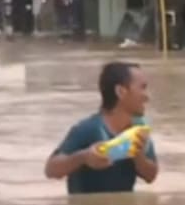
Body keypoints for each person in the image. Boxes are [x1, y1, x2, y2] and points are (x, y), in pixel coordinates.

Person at [44, 61, 158, 194]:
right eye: (142, 88)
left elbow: (151, 176)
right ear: (120, 91)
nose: (147, 96)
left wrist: (138, 156)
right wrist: (84, 156)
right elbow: (50, 170)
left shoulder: (138, 130)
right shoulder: (89, 129)